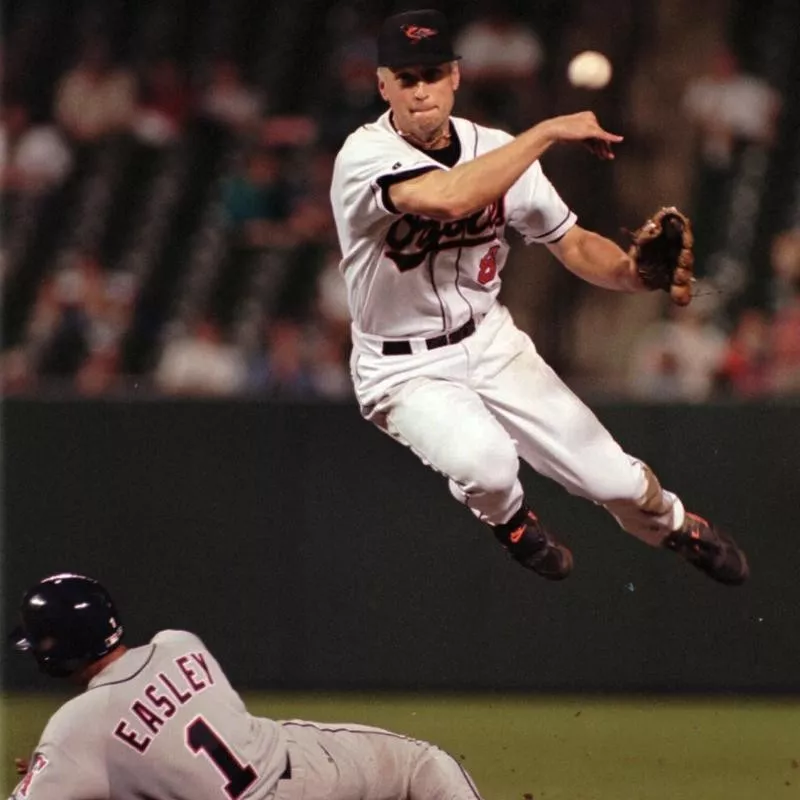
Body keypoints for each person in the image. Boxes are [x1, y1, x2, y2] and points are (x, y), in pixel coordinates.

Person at [329, 9, 749, 585]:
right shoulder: (363, 155)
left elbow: (572, 244)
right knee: (491, 466)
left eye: (431, 74)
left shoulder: (498, 148)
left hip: (491, 340)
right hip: (403, 367)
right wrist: (548, 131)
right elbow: (451, 197)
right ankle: (513, 525)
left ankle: (676, 525)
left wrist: (633, 273)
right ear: (383, 85)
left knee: (615, 482)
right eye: (406, 79)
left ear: (456, 75)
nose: (421, 91)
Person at [8, 572, 487, 799]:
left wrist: (58, 771)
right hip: (302, 775)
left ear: (57, 650)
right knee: (425, 765)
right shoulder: (179, 643)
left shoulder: (75, 729)